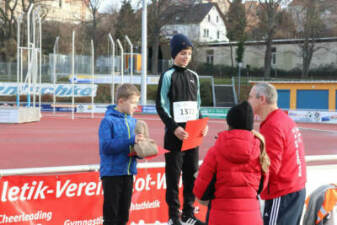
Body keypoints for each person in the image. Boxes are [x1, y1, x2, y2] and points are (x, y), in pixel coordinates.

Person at [156, 33, 207, 225]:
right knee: (173, 178)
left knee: (191, 176)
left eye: (189, 54)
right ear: (174, 54)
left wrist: (202, 124)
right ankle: (173, 216)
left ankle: (188, 214)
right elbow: (160, 106)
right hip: (174, 137)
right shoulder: (167, 76)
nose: (186, 57)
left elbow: (198, 106)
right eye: (183, 53)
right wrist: (174, 127)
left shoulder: (194, 76)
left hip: (193, 137)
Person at [193, 101, 270, 225]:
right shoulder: (260, 150)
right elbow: (261, 187)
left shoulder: (215, 151)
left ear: (229, 123)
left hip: (220, 217)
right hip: (252, 218)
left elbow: (200, 192)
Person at [248, 82, 307, 225]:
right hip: (295, 188)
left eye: (250, 97)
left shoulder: (272, 125)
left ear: (262, 99)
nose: (248, 101)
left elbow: (271, 167)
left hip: (281, 193)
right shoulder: (283, 119)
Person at [98, 83, 144, 225]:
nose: (136, 106)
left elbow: (134, 148)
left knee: (124, 217)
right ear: (121, 101)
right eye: (133, 103)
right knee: (111, 217)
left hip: (129, 173)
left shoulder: (134, 122)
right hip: (112, 174)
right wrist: (131, 140)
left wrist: (142, 150)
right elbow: (106, 147)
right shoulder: (107, 121)